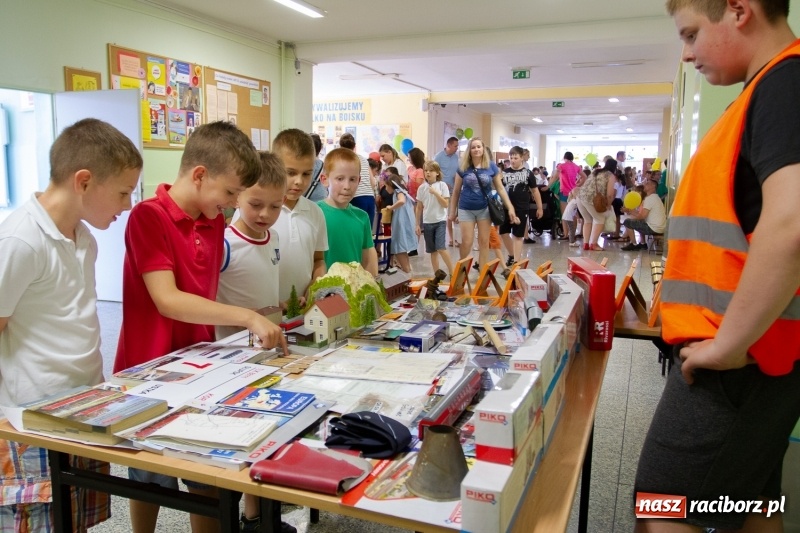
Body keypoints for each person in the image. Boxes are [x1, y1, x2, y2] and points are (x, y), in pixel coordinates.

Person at [635, 1, 800, 532]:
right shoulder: (762, 93)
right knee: (753, 504)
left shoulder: (784, 84)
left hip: (735, 364)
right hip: (756, 357)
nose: (686, 55)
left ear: (738, 10)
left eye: (690, 35)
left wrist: (727, 346)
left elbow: (793, 223)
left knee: (661, 510)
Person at [113, 121, 287, 533]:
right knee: (149, 478)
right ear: (199, 175)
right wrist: (246, 315)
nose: (230, 205)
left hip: (201, 364)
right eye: (229, 194)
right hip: (148, 367)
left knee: (205, 478)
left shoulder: (211, 221)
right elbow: (168, 300)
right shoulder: (147, 217)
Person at [0, 119, 141, 533]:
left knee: (74, 521)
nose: (128, 204)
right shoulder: (21, 240)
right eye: (122, 192)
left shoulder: (85, 238)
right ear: (83, 181)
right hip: (31, 420)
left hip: (83, 406)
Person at [213, 151, 286, 531]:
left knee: (266, 432)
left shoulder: (273, 238)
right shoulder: (224, 242)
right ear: (237, 196)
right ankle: (233, 513)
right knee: (237, 438)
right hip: (231, 358)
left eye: (275, 206)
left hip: (269, 353)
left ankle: (256, 517)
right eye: (256, 204)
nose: (265, 214)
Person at [272, 129, 328, 307]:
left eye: (306, 174)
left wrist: (315, 283)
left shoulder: (315, 212)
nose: (299, 181)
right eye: (290, 173)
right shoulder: (256, 213)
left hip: (304, 310)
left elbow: (318, 259)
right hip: (267, 312)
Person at [448, 137, 518, 271]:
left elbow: (500, 188)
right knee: (467, 242)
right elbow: (456, 191)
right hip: (466, 208)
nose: (476, 149)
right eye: (473, 147)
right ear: (469, 150)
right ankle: (461, 269)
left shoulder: (491, 166)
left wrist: (510, 207)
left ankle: (482, 271)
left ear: (483, 148)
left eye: (478, 147)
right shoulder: (463, 166)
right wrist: (452, 211)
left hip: (485, 209)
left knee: (484, 242)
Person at [318, 148, 378, 276]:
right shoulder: (315, 213)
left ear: (359, 181)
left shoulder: (361, 217)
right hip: (324, 291)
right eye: (340, 179)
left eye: (352, 179)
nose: (347, 186)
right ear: (325, 179)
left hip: (354, 290)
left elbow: (368, 257)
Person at [499, 146, 543, 269]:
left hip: (521, 208)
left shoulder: (528, 173)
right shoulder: (504, 173)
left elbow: (535, 191)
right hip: (506, 207)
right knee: (503, 233)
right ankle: (512, 255)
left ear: (521, 158)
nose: (513, 160)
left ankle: (516, 262)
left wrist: (539, 208)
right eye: (511, 158)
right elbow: (499, 189)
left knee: (518, 235)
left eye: (515, 158)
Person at [415, 161, 454, 275]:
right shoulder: (422, 188)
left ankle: (452, 272)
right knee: (432, 251)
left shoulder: (442, 185)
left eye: (431, 170)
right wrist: (417, 224)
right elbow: (419, 207)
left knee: (441, 248)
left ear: (437, 173)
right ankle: (437, 274)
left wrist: (436, 193)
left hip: (440, 221)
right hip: (427, 222)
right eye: (426, 170)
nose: (428, 173)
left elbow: (445, 204)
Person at [339, 132, 377, 230]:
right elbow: (372, 182)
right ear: (354, 146)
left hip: (356, 197)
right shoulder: (363, 159)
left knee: (355, 231)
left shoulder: (345, 159)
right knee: (367, 233)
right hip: (370, 197)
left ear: (340, 147)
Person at [577, 159, 616, 251]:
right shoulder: (611, 175)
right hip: (592, 199)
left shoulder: (596, 171)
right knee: (600, 219)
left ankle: (586, 244)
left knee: (587, 220)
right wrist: (608, 205)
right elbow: (610, 194)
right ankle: (593, 244)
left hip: (580, 196)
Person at [620, 173, 666, 251]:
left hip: (654, 228)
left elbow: (642, 216)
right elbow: (641, 215)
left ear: (653, 187)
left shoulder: (650, 199)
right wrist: (630, 211)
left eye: (647, 184)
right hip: (659, 227)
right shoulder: (655, 197)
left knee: (627, 222)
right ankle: (643, 243)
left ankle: (633, 244)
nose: (644, 185)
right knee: (638, 221)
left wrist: (631, 216)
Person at [383, 174, 416, 273]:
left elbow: (401, 201)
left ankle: (407, 270)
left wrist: (391, 207)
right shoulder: (403, 191)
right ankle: (408, 270)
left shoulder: (398, 192)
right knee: (401, 249)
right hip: (405, 222)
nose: (385, 188)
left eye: (386, 186)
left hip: (401, 223)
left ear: (390, 185)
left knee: (399, 248)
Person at [551, 151, 586, 240]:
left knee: (564, 214)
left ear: (564, 157)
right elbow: (584, 176)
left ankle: (566, 234)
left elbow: (555, 177)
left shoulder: (561, 166)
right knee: (573, 214)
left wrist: (548, 186)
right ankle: (572, 234)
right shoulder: (576, 166)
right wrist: (578, 185)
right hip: (574, 193)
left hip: (564, 192)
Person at [434, 137, 461, 247]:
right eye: (455, 146)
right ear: (448, 145)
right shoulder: (439, 157)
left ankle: (452, 239)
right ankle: (444, 238)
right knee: (442, 215)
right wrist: (442, 183)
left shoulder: (456, 157)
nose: (457, 148)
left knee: (452, 215)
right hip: (441, 191)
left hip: (454, 191)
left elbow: (458, 171)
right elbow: (434, 172)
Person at [304, 132, 327, 202]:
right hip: (322, 201)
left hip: (307, 202)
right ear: (320, 148)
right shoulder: (325, 165)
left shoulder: (303, 165)